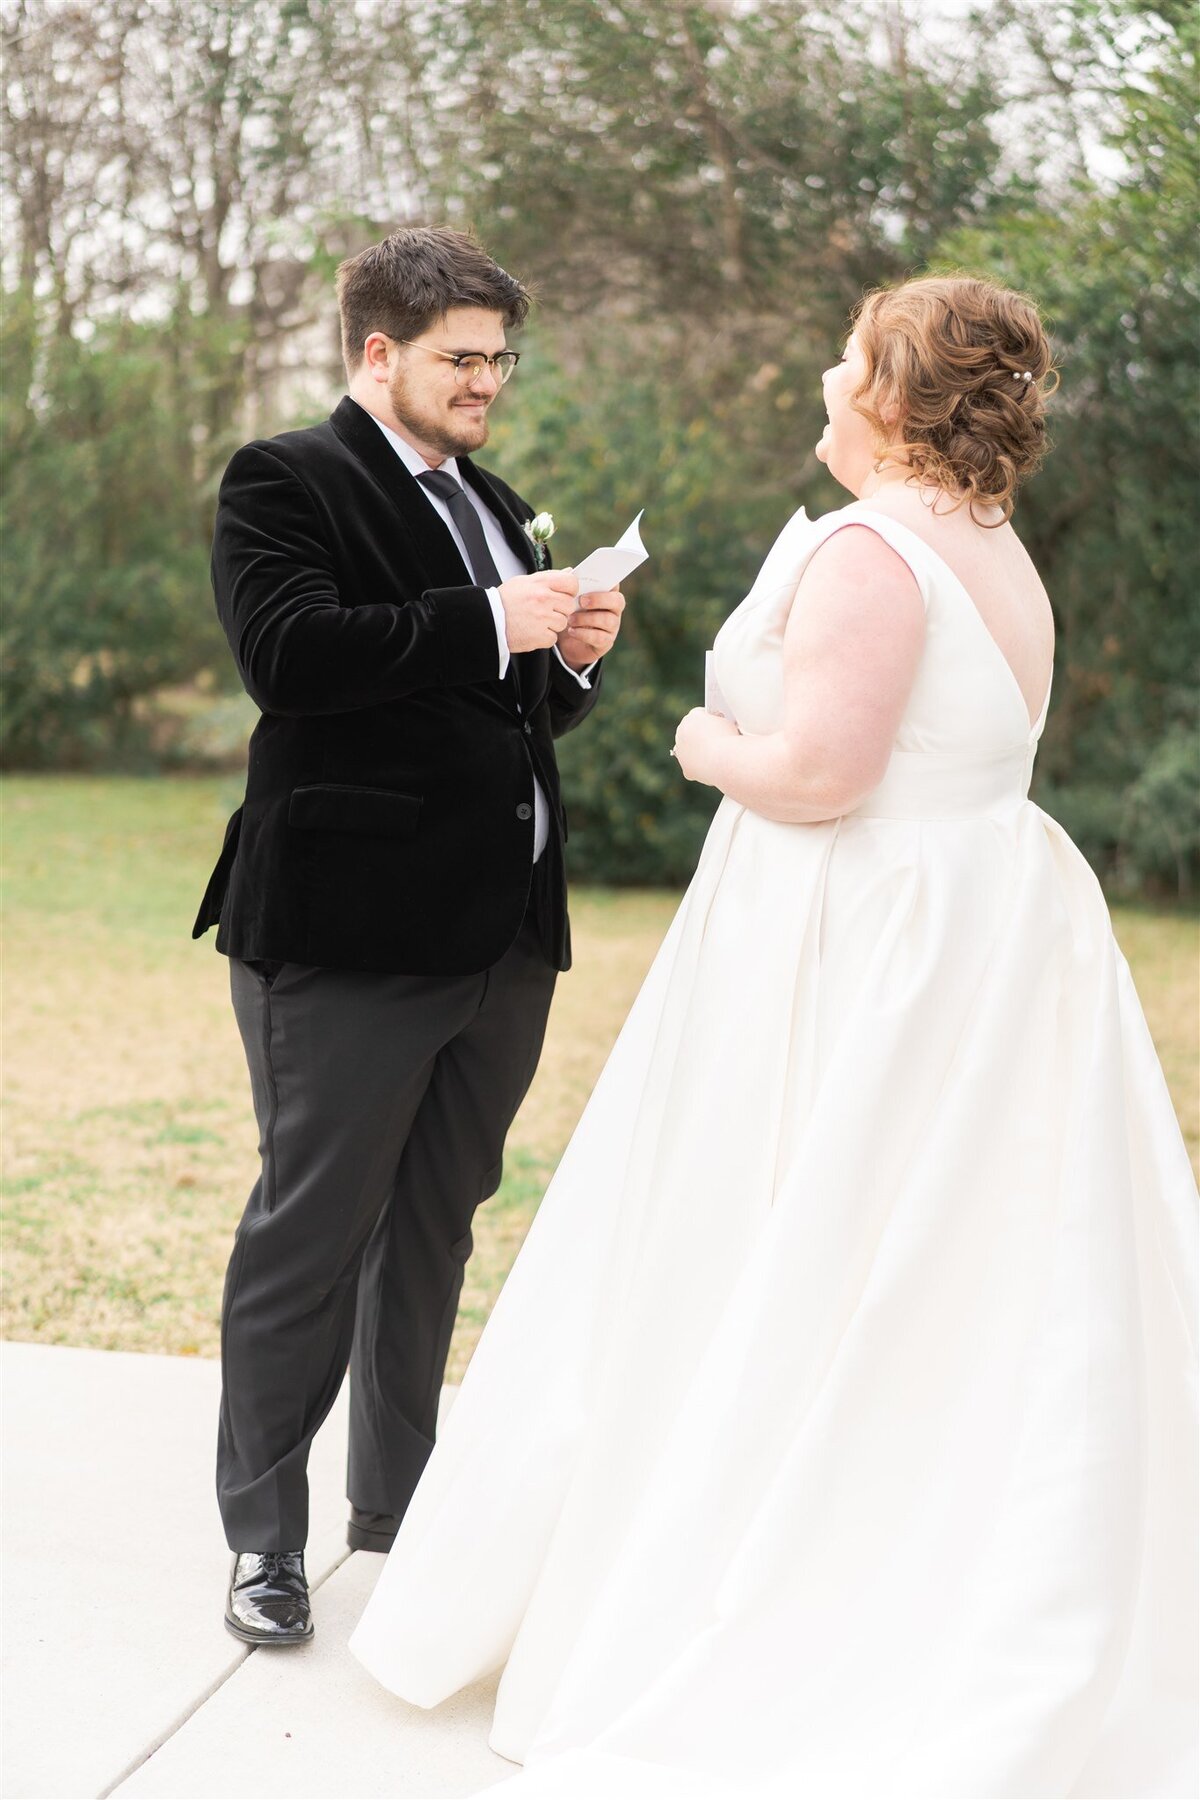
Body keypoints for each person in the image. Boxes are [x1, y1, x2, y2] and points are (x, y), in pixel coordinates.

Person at [349, 274, 1198, 1796]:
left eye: (849, 358)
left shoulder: (880, 552)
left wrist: (697, 740)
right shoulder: (987, 543)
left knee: (794, 1239)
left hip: (864, 939)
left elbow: (821, 773)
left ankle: (776, 1585)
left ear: (895, 395)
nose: (822, 374)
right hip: (974, 926)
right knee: (928, 1259)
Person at [192, 226, 625, 1647]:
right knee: (312, 1235)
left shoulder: (495, 499)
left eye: (501, 357)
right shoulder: (284, 479)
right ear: (378, 353)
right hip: (349, 929)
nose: (488, 380)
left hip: (500, 938)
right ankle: (267, 1539)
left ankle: (398, 1510)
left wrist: (560, 658)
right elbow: (292, 658)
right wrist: (490, 616)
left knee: (434, 1227)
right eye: (462, 357)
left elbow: (501, 711)